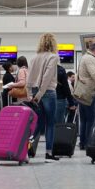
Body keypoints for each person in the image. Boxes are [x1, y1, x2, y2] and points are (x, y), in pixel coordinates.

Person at [27, 33, 60, 163]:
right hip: (47, 92)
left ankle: (26, 145)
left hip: (35, 91)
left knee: (38, 122)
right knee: (50, 123)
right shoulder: (53, 57)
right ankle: (49, 153)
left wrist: (31, 94)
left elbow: (29, 78)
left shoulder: (34, 58)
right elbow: (47, 77)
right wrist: (40, 94)